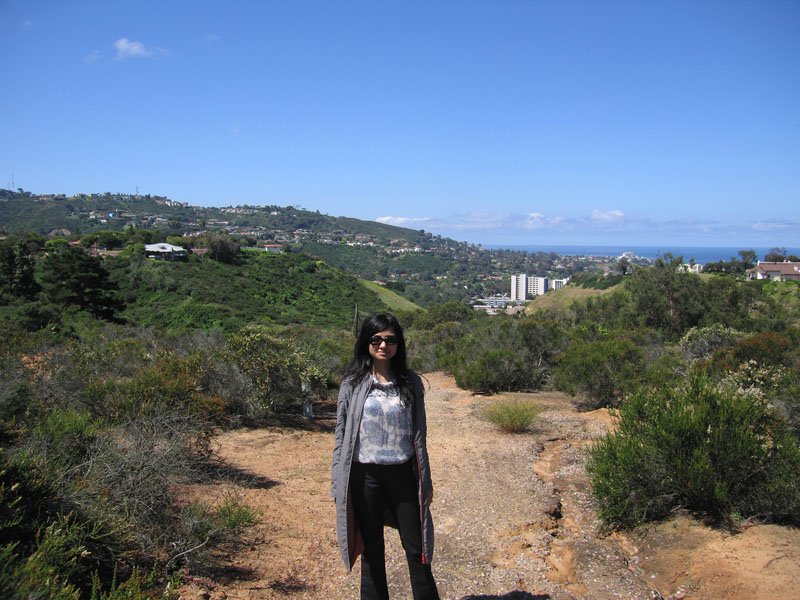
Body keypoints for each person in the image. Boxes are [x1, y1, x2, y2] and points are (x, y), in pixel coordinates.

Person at [331, 313, 439, 600]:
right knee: (372, 551)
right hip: (364, 476)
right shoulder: (352, 384)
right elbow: (341, 437)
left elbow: (420, 435)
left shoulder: (410, 382)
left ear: (398, 344)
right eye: (376, 339)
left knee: (418, 550)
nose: (383, 345)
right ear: (366, 342)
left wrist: (425, 481)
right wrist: (336, 484)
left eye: (390, 340)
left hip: (403, 474)